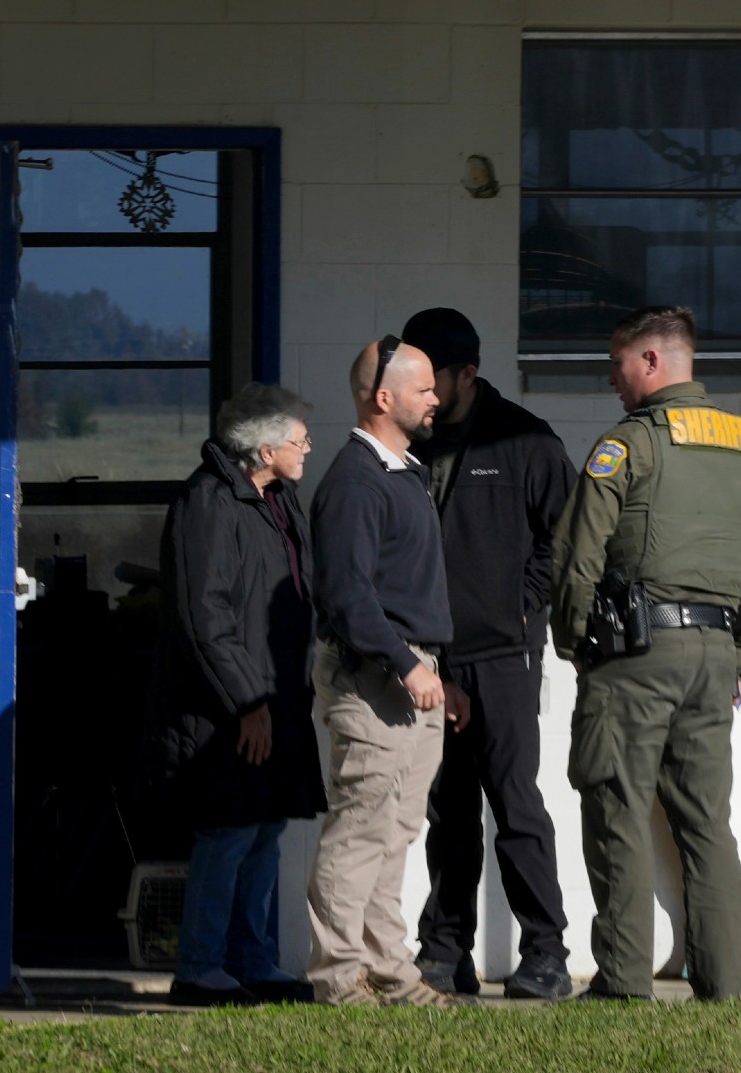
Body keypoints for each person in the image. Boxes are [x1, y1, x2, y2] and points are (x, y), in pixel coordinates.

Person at [550, 306, 741, 1001]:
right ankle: (722, 985)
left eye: (617, 363)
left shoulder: (629, 446)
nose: (610, 379)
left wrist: (574, 641)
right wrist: (736, 659)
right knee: (706, 822)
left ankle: (621, 985)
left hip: (635, 655)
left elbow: (576, 555)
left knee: (616, 805)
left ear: (650, 361)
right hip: (712, 659)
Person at [399, 307, 578, 1001]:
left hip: (504, 654)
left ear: (466, 373)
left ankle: (546, 953)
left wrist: (522, 605)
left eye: (430, 379)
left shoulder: (525, 441)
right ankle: (444, 952)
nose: (422, 393)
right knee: (447, 810)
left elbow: (563, 540)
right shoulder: (408, 442)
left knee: (515, 806)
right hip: (428, 660)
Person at [304, 336, 472, 1008]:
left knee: (393, 832)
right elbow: (347, 596)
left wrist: (437, 670)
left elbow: (408, 590)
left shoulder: (404, 472)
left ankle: (389, 974)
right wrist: (407, 664)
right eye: (425, 388)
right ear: (383, 397)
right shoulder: (354, 482)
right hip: (374, 682)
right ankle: (338, 980)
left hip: (408, 677)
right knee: (359, 831)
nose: (436, 398)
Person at [153, 382, 326, 1007]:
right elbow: (206, 616)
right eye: (299, 438)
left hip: (277, 702)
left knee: (264, 831)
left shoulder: (276, 501)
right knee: (227, 833)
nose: (307, 447)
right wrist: (249, 702)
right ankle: (199, 968)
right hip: (227, 710)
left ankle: (252, 963)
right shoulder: (210, 502)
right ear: (263, 446)